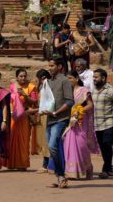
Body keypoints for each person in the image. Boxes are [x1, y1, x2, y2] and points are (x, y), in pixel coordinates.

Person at [41, 59, 76, 189]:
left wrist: (56, 112)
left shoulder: (65, 81)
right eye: (48, 65)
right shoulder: (48, 82)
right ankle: (60, 176)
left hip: (60, 119)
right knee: (52, 148)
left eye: (52, 66)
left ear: (60, 66)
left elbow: (70, 101)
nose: (49, 68)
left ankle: (61, 175)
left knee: (52, 145)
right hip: (50, 119)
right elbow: (45, 100)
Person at [63, 70, 98, 180]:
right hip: (69, 122)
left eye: (70, 78)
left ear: (76, 78)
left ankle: (88, 168)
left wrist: (79, 110)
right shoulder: (65, 92)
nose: (68, 81)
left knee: (81, 145)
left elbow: (90, 105)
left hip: (81, 122)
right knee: (69, 145)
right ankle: (72, 173)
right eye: (67, 79)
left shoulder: (84, 90)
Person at [3, 68, 35, 171]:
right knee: (12, 140)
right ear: (17, 77)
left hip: (24, 116)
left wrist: (24, 95)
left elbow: (34, 102)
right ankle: (11, 163)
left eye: (25, 76)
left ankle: (22, 164)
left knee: (23, 141)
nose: (23, 78)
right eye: (21, 76)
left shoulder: (31, 87)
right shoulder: (12, 87)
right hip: (14, 117)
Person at [92, 68, 113, 178]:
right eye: (93, 77)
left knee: (106, 143)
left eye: (96, 77)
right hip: (97, 124)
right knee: (103, 147)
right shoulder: (93, 90)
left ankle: (106, 169)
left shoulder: (110, 90)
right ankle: (109, 168)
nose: (94, 79)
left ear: (103, 78)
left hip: (109, 123)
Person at [32, 69, 52, 174]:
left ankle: (46, 164)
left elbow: (47, 104)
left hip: (47, 115)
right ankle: (46, 163)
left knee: (47, 140)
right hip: (42, 115)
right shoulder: (41, 87)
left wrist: (33, 111)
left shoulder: (48, 87)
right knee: (43, 140)